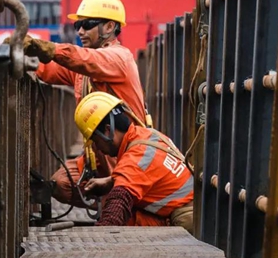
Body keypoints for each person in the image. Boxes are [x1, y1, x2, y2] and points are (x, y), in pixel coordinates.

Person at [23, 0, 148, 208]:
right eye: (77, 26)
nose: (80, 31)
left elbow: (87, 60)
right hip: (99, 153)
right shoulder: (82, 69)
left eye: (88, 24)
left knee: (124, 207)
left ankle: (123, 206)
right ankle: (106, 202)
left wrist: (51, 48)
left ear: (109, 27)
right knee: (61, 183)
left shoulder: (119, 58)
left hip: (127, 153)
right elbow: (50, 69)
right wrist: (25, 55)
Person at [73, 91, 194, 230]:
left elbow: (118, 204)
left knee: (130, 219)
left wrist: (99, 239)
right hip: (192, 208)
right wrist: (111, 181)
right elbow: (146, 174)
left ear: (108, 131)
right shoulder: (147, 135)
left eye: (96, 140)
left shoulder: (135, 157)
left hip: (184, 220)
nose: (97, 148)